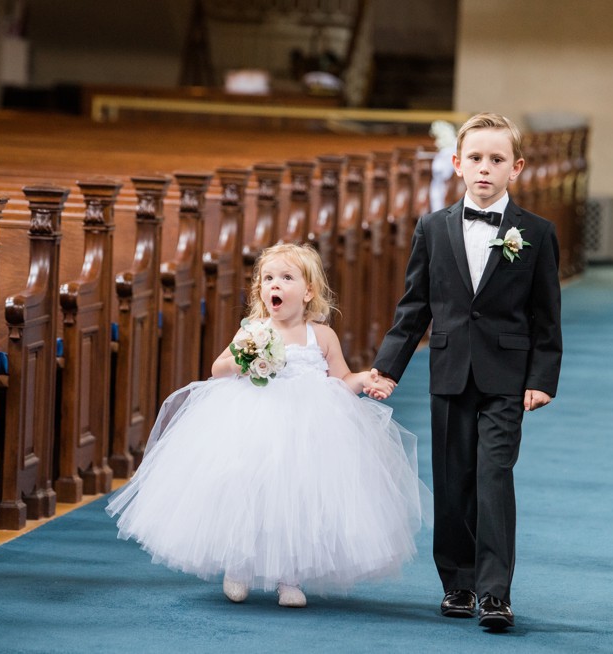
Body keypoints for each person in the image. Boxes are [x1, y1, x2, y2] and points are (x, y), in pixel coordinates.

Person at [107, 243, 431, 608]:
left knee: (299, 495)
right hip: (254, 421)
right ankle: (238, 566)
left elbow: (340, 379)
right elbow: (218, 368)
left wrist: (366, 380)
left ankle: (289, 577)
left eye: (286, 278)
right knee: (246, 486)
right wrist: (243, 359)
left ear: (308, 291)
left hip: (308, 427)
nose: (274, 285)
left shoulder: (321, 335)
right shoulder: (254, 329)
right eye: (268, 278)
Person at [371, 112, 562, 632]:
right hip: (450, 372)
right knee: (453, 480)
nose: (484, 169)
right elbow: (414, 308)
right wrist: (388, 369)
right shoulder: (433, 228)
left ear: (516, 168)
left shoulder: (537, 234)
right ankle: (457, 581)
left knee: (494, 476)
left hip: (506, 376)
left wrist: (541, 378)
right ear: (457, 164)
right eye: (475, 158)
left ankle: (496, 594)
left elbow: (546, 316)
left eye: (496, 160)